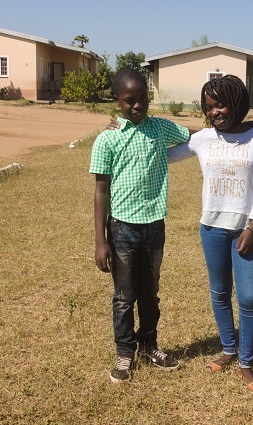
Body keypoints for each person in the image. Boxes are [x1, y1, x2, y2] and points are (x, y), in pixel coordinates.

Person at [167, 75, 253, 393]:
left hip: (245, 230)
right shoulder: (202, 139)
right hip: (211, 228)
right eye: (208, 107)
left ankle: (246, 364)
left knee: (250, 298)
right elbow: (166, 156)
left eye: (221, 105)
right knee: (219, 292)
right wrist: (130, 134)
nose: (214, 112)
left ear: (236, 103)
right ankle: (228, 349)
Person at [90, 68, 189, 383]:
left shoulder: (160, 128)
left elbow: (194, 137)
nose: (137, 106)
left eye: (142, 98)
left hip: (154, 227)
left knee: (150, 293)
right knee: (124, 295)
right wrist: (100, 241)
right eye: (129, 101)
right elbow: (101, 190)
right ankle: (124, 353)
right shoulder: (108, 139)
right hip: (121, 229)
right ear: (117, 101)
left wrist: (238, 127)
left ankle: (149, 346)